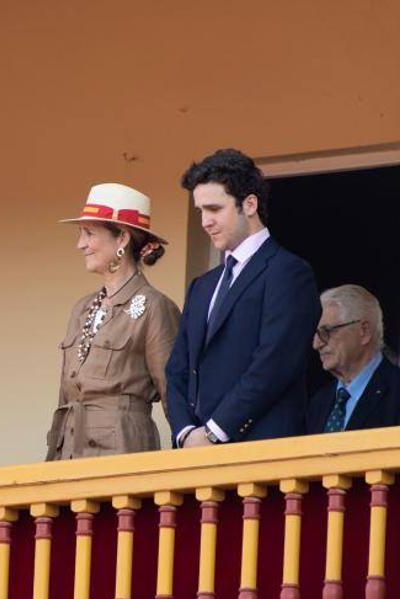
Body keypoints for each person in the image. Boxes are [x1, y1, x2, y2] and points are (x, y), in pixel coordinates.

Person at [166, 148, 320, 447]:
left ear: (249, 204)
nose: (204, 222)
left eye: (214, 209)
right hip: (195, 456)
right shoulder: (202, 286)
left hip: (261, 454)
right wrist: (185, 433)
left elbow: (274, 364)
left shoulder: (288, 272)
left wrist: (214, 431)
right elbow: (176, 370)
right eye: (200, 211)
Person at [46, 183, 180, 459]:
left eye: (90, 233)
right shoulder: (81, 309)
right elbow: (66, 396)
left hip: (122, 455)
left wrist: (190, 458)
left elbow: (174, 394)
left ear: (122, 239)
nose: (80, 244)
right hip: (69, 454)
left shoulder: (156, 307)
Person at [306, 285, 400, 433]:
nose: (316, 344)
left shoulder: (395, 391)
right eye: (315, 334)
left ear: (364, 331)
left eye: (326, 331)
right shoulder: (318, 403)